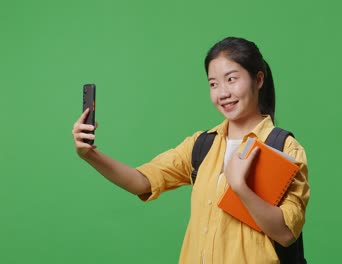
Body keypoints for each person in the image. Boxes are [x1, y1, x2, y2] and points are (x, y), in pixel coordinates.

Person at [72, 36, 310, 263]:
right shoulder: (202, 145)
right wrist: (90, 155)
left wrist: (240, 187)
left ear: (258, 80)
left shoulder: (283, 147)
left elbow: (286, 233)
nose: (223, 93)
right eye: (213, 84)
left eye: (231, 79)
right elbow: (142, 181)